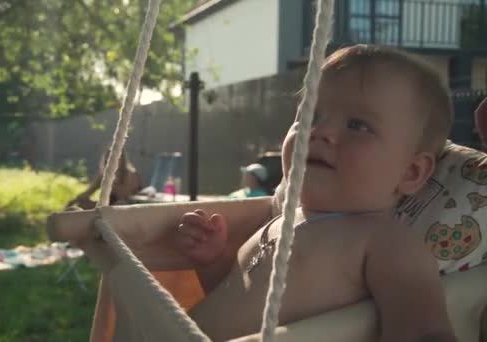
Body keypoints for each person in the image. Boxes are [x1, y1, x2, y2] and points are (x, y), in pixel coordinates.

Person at [174, 45, 457, 341]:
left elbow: (425, 331)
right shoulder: (281, 221)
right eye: (309, 116)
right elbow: (236, 305)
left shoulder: (386, 243)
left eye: (357, 125)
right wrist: (213, 261)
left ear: (410, 172)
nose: (318, 132)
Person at [66, 149, 141, 209]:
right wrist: (76, 200)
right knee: (80, 204)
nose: (110, 161)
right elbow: (88, 193)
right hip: (108, 206)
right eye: (108, 158)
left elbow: (125, 198)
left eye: (114, 158)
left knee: (120, 204)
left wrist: (114, 183)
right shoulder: (103, 175)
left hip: (127, 207)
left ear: (121, 159)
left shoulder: (130, 173)